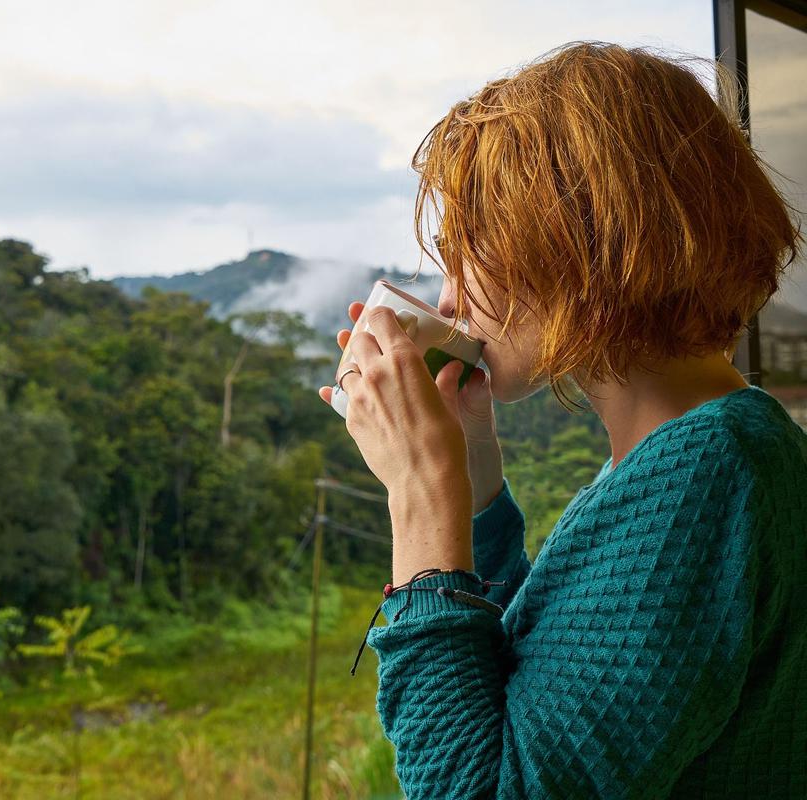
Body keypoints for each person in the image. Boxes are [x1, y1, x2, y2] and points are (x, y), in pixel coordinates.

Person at [316, 41, 806, 798]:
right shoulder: (687, 450)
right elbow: (543, 686)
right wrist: (475, 486)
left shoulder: (710, 472)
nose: (447, 302)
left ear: (574, 239)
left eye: (465, 255)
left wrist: (420, 498)